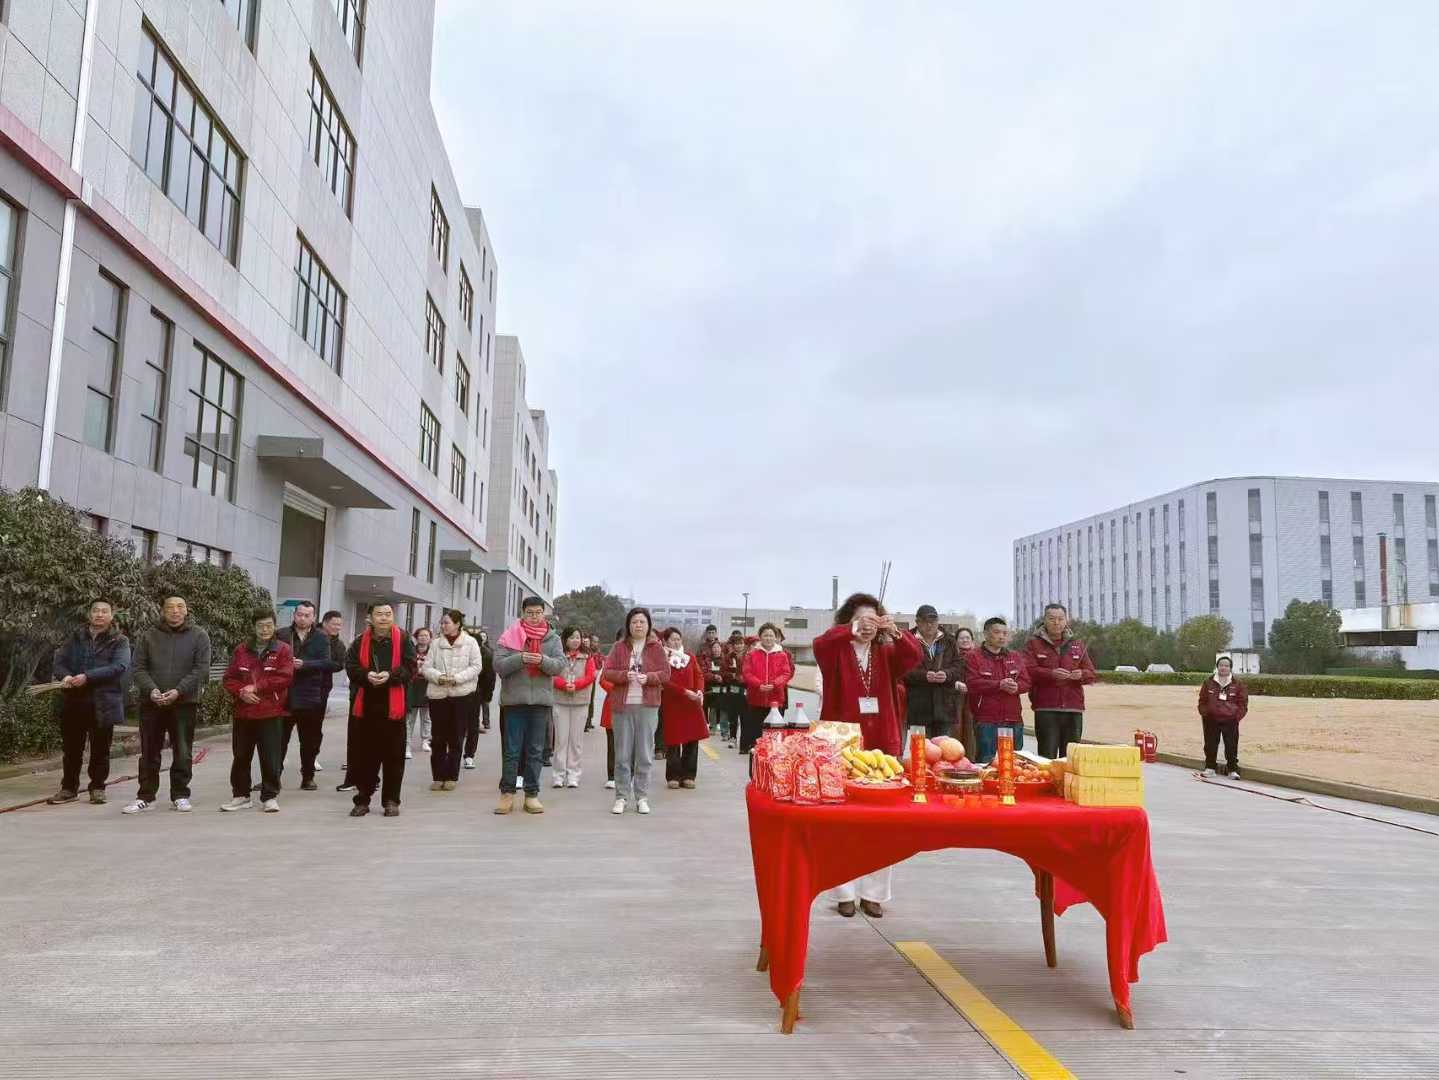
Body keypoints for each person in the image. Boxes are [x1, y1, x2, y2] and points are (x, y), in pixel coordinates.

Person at [812, 593, 922, 918]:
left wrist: (896, 631)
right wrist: (850, 630)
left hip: (882, 743)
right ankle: (843, 892)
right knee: (841, 822)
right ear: (849, 621)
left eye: (874, 619)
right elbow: (819, 644)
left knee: (882, 825)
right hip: (842, 743)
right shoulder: (835, 649)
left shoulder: (886, 652)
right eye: (861, 619)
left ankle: (874, 894)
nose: (867, 626)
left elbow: (914, 656)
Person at [124, 595, 211, 814]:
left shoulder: (199, 636)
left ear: (186, 610)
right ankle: (146, 796)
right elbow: (138, 668)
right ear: (162, 611)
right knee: (149, 752)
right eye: (170, 607)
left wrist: (179, 690)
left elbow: (201, 669)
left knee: (182, 751)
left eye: (180, 606)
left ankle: (180, 795)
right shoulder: (148, 636)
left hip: (184, 703)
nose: (175, 610)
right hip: (151, 703)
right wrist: (152, 690)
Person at [47, 599, 133, 806]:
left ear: (111, 616)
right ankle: (69, 788)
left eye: (104, 611)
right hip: (75, 701)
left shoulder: (119, 640)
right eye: (95, 611)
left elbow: (119, 666)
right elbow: (59, 662)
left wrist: (87, 677)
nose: (99, 615)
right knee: (71, 749)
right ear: (89, 614)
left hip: (104, 702)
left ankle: (97, 788)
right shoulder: (75, 637)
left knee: (100, 749)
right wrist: (65, 676)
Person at [492, 596, 565, 815]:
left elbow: (559, 666)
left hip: (540, 703)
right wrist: (521, 658)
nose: (534, 617)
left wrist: (542, 660)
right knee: (512, 750)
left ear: (544, 614)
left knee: (536, 751)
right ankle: (507, 794)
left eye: (538, 613)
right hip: (514, 702)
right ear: (522, 613)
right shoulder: (510, 636)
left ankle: (531, 794)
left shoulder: (553, 639)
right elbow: (499, 665)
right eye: (530, 613)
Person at [345, 601, 415, 817]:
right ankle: (362, 800)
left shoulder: (403, 639)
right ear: (370, 618)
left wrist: (390, 676)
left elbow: (410, 667)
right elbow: (351, 667)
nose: (384, 618)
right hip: (366, 707)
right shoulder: (360, 641)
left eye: (388, 614)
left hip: (394, 708)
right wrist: (366, 675)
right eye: (379, 614)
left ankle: (391, 801)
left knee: (394, 758)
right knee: (365, 757)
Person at [220, 609, 294, 813]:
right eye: (260, 626)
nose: (264, 629)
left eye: (269, 625)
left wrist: (257, 687)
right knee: (241, 756)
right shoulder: (241, 650)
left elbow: (284, 677)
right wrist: (242, 692)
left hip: (271, 712)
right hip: (244, 712)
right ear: (253, 627)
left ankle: (270, 796)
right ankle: (241, 795)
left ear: (274, 626)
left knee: (270, 757)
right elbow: (229, 678)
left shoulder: (283, 650)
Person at [602, 608, 669, 815]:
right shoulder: (619, 647)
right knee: (622, 754)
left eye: (642, 622)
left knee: (645, 754)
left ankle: (642, 797)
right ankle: (621, 796)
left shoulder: (656, 648)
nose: (638, 625)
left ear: (648, 625)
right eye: (634, 622)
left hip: (647, 706)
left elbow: (666, 674)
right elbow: (607, 672)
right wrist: (624, 675)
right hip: (623, 706)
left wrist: (649, 678)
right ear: (628, 625)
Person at [276, 601, 341, 791]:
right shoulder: (282, 634)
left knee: (309, 741)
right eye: (300, 614)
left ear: (314, 618)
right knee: (279, 740)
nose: (302, 618)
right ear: (294, 615)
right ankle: (273, 777)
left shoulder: (321, 637)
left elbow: (327, 663)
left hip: (310, 696)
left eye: (307, 615)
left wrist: (305, 664)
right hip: (285, 695)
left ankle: (308, 776)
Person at [1024, 603, 1097, 760]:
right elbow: (1027, 670)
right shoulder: (1033, 644)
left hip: (1073, 709)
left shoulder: (1077, 644)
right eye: (1052, 619)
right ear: (1044, 620)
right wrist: (1051, 674)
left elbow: (1091, 673)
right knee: (1046, 757)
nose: (1056, 622)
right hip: (1046, 708)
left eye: (1060, 618)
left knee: (1070, 758)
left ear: (1066, 620)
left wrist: (1081, 674)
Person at [421, 610, 483, 791]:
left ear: (457, 624)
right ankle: (438, 776)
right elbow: (426, 668)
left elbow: (476, 666)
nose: (443, 626)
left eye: (447, 622)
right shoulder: (435, 644)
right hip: (438, 695)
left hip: (461, 695)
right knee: (438, 737)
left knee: (456, 736)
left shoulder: (470, 642)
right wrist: (439, 677)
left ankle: (451, 776)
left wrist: (457, 678)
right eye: (442, 623)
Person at [965, 616, 1032, 764]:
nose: (1001, 636)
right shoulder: (974, 657)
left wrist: (1017, 687)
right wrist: (998, 685)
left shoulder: (1015, 656)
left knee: (1014, 763)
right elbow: (972, 683)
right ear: (986, 634)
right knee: (987, 762)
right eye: (997, 632)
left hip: (1013, 719)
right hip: (987, 720)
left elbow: (1026, 682)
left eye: (1004, 633)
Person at [901, 604, 966, 742]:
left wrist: (947, 674)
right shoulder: (907, 639)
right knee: (920, 749)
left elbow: (959, 666)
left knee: (944, 749)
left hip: (945, 706)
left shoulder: (949, 640)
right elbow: (902, 669)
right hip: (918, 707)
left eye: (933, 621)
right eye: (925, 621)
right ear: (917, 622)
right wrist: (923, 676)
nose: (930, 625)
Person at [660, 627, 709, 789]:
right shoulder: (662, 658)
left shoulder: (689, 657)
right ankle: (673, 775)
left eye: (678, 639)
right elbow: (664, 681)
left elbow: (699, 675)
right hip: (673, 703)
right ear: (665, 641)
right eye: (672, 639)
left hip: (691, 703)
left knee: (692, 738)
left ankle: (689, 775)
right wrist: (684, 692)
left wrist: (699, 691)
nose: (676, 642)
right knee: (673, 740)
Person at [552, 626, 597, 788]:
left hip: (580, 702)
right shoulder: (558, 656)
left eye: (578, 637)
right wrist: (563, 685)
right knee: (561, 740)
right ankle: (558, 775)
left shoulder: (587, 657)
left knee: (576, 741)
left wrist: (576, 685)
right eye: (571, 637)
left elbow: (591, 676)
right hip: (560, 701)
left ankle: (573, 774)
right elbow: (552, 674)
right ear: (565, 639)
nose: (575, 640)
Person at [741, 623, 794, 753]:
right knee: (756, 732)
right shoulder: (752, 654)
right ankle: (756, 757)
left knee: (773, 733)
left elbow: (786, 673)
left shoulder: (782, 655)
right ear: (760, 637)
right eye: (765, 635)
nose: (768, 638)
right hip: (756, 699)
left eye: (771, 635)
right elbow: (747, 673)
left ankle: (772, 757)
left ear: (775, 637)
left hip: (775, 699)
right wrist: (759, 684)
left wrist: (775, 684)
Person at [1198, 655, 1248, 779]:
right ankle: (1210, 768)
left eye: (1226, 666)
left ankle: (1232, 770)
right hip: (1211, 720)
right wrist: (1205, 713)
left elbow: (1243, 703)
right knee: (1210, 745)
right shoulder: (1208, 682)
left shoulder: (1238, 683)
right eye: (1221, 665)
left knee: (1231, 745)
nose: (1223, 668)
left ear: (1230, 668)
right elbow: (1202, 700)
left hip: (1230, 720)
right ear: (1217, 667)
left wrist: (1236, 717)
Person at [318, 610, 347, 773]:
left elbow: (340, 664)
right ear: (324, 623)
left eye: (340, 625)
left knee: (315, 726)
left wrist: (322, 664)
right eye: (335, 624)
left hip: (322, 688)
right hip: (298, 688)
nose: (338, 627)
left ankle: (311, 759)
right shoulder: (312, 637)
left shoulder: (339, 644)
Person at [599, 628, 625, 789]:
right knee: (613, 743)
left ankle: (628, 775)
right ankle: (612, 776)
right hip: (613, 705)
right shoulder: (611, 659)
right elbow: (603, 680)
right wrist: (618, 690)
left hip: (632, 706)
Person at [406, 626, 433, 757]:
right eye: (421, 635)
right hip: (412, 687)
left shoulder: (433, 652)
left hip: (427, 687)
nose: (423, 638)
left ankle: (425, 740)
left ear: (430, 638)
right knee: (409, 718)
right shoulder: (411, 650)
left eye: (426, 635)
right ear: (416, 637)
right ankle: (407, 743)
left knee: (426, 717)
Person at [954, 626, 977, 760]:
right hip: (956, 697)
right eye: (961, 638)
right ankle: (956, 758)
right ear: (956, 641)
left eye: (967, 638)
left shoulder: (977, 656)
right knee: (956, 729)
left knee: (971, 731)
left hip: (973, 697)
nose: (965, 640)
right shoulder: (953, 656)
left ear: (972, 640)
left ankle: (971, 760)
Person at [584, 633, 600, 732]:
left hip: (592, 679)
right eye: (594, 641)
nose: (596, 644)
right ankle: (585, 722)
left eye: (597, 642)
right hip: (585, 679)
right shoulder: (586, 651)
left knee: (591, 700)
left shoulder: (597, 652)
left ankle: (589, 720)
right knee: (587, 700)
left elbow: (599, 665)